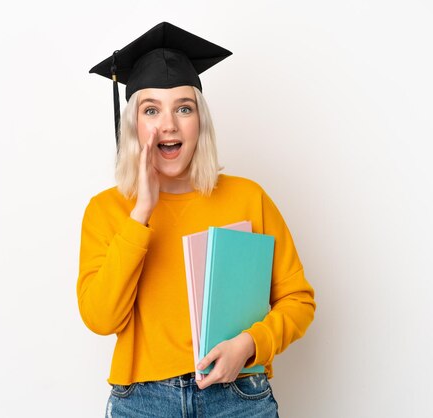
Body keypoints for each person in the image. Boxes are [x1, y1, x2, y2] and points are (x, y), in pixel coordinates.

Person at [77, 22, 316, 418]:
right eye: (151, 109)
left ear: (199, 121)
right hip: (143, 402)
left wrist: (251, 344)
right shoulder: (107, 211)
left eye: (183, 108)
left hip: (239, 397)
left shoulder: (247, 197)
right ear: (133, 126)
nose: (168, 124)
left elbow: (298, 300)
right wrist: (141, 214)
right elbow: (102, 319)